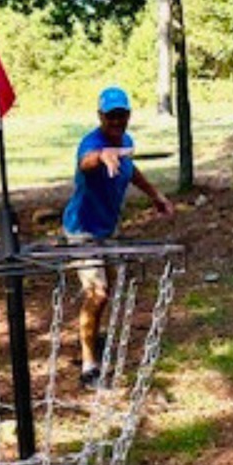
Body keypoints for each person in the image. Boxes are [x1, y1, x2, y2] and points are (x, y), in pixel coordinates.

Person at [62, 87, 175, 387]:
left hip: (107, 230)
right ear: (100, 116)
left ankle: (92, 333)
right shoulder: (91, 143)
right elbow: (86, 162)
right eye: (110, 116)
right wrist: (102, 156)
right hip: (82, 232)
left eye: (121, 115)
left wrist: (155, 195)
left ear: (128, 115)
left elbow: (130, 169)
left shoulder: (126, 141)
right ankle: (89, 366)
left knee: (105, 292)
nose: (116, 121)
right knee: (97, 294)